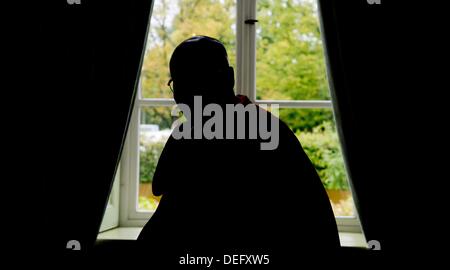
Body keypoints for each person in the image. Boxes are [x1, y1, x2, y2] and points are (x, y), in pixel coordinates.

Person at [137, 36, 339, 261]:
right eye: (179, 84)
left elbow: (162, 190)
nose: (180, 97)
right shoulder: (270, 130)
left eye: (194, 82)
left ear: (228, 78)